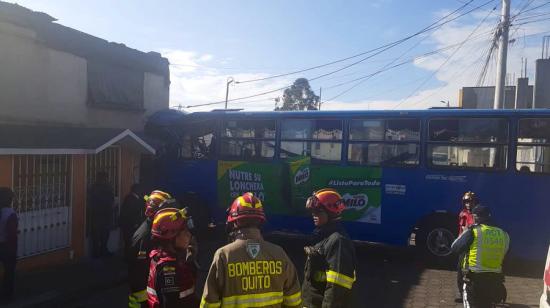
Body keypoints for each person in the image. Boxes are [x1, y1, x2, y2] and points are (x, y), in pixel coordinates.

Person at [200, 192, 302, 308]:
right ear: (260, 221)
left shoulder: (224, 255)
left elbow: (210, 304)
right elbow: (294, 301)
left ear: (235, 221)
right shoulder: (279, 253)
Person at [302, 188, 357, 308]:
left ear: (331, 213)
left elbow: (337, 289)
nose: (313, 215)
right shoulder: (323, 237)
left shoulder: (338, 241)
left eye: (317, 211)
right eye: (312, 211)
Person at [128, 190, 180, 308]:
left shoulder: (151, 230)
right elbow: (139, 273)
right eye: (166, 210)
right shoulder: (145, 237)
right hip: (142, 301)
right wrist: (146, 302)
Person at [451, 205, 510, 308]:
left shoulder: (474, 231)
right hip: (494, 281)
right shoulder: (504, 234)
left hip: (474, 280)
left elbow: (455, 247)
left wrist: (465, 232)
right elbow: (506, 255)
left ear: (475, 217)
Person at [147, 208, 199, 308]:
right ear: (171, 236)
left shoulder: (167, 257)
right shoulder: (168, 269)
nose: (189, 234)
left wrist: (190, 262)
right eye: (184, 231)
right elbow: (172, 303)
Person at [455, 191, 478, 303]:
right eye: (466, 202)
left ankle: (474, 292)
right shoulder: (462, 214)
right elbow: (461, 230)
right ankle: (460, 292)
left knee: (473, 271)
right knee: (460, 269)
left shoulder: (477, 214)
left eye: (470, 201)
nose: (468, 204)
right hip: (464, 246)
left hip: (474, 247)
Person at [89, 172, 115, 258]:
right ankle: (100, 251)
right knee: (101, 234)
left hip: (98, 214)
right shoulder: (104, 188)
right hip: (101, 214)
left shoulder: (94, 187)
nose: (106, 180)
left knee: (100, 235)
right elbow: (110, 199)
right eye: (105, 178)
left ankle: (99, 252)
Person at [0, 187, 17, 304]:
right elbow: (11, 235)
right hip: (6, 247)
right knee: (9, 273)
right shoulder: (10, 213)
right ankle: (7, 297)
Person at [121, 183, 146, 259]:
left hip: (134, 225)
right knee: (130, 242)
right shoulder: (131, 199)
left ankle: (133, 258)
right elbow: (130, 213)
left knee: (133, 243)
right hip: (130, 225)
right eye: (140, 189)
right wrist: (135, 223)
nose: (142, 191)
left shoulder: (136, 198)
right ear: (136, 190)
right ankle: (130, 258)